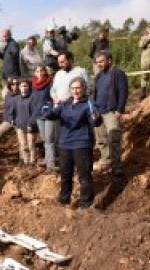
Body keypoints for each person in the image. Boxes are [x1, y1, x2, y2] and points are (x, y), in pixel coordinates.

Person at [44, 77, 101, 209]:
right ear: (70, 90)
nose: (75, 91)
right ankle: (64, 198)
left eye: (78, 88)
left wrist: (96, 118)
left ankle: (85, 203)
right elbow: (53, 114)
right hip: (64, 144)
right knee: (65, 174)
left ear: (83, 89)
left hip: (81, 144)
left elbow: (95, 121)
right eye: (73, 88)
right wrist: (46, 111)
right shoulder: (66, 104)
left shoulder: (89, 103)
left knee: (84, 175)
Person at [92, 51, 128, 176]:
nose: (99, 64)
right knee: (101, 140)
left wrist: (120, 109)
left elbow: (123, 92)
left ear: (110, 60)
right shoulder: (98, 76)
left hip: (111, 111)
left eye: (102, 61)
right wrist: (94, 110)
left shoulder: (118, 73)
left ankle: (117, 165)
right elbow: (95, 94)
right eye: (97, 62)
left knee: (114, 139)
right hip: (99, 112)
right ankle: (106, 161)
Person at [31, 65, 57, 171]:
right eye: (37, 71)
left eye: (42, 70)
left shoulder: (50, 82)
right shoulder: (33, 84)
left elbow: (53, 96)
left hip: (48, 113)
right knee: (44, 138)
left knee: (49, 138)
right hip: (38, 115)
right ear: (35, 73)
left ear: (45, 72)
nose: (40, 72)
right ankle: (47, 159)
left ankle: (51, 164)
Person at [13, 79, 38, 165]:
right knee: (23, 145)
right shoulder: (17, 99)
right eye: (22, 86)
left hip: (30, 126)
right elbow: (14, 111)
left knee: (31, 144)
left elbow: (35, 112)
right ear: (19, 88)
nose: (23, 88)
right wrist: (14, 121)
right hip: (20, 125)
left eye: (25, 86)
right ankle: (25, 161)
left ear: (29, 87)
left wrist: (31, 123)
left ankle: (33, 161)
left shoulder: (33, 97)